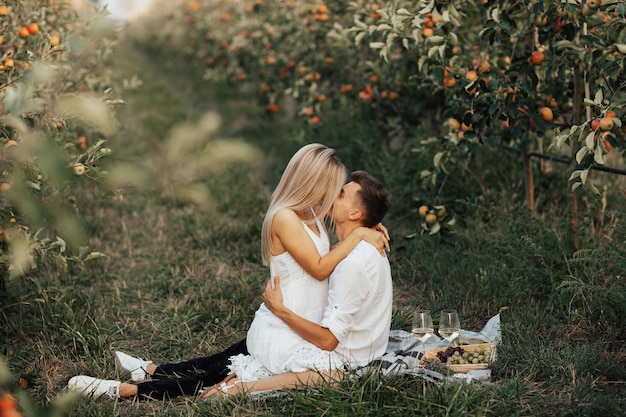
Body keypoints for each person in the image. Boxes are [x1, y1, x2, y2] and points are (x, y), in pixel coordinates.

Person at [67, 144, 389, 400]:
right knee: (217, 373)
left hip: (295, 322)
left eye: (340, 190)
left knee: (223, 361)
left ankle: (151, 370)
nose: (334, 194)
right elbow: (320, 269)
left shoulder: (313, 216)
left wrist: (366, 225)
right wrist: (360, 234)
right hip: (287, 323)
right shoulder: (286, 218)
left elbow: (329, 255)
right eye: (333, 186)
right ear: (312, 183)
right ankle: (126, 391)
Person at [199, 170, 392, 398]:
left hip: (353, 353)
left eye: (340, 194)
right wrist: (364, 228)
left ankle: (240, 386)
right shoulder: (357, 246)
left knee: (331, 376)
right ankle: (165, 374)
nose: (332, 193)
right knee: (232, 354)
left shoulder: (352, 263)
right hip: (367, 344)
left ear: (355, 213)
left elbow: (328, 341)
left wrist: (281, 311)